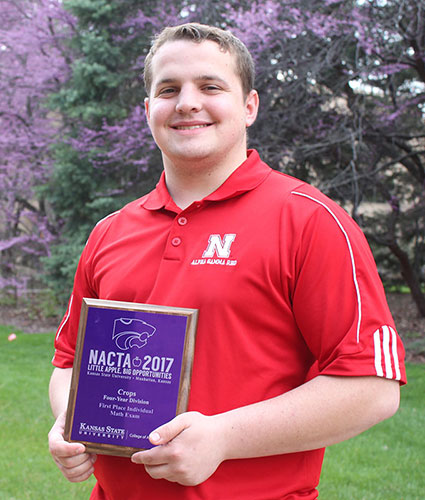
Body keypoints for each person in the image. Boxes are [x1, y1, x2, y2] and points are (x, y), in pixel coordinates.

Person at [48, 22, 406, 500]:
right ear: (148, 109)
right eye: (168, 89)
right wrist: (67, 422)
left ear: (249, 106)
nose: (187, 102)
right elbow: (70, 361)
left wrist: (222, 438)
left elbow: (373, 388)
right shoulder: (110, 232)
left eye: (210, 86)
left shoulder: (309, 220)